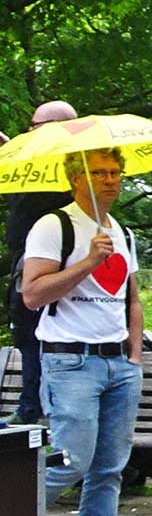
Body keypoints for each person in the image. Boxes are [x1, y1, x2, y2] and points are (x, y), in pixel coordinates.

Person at [19, 145, 149, 516]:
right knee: (70, 463)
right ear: (76, 179)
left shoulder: (122, 231)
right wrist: (89, 261)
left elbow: (132, 297)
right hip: (70, 361)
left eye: (115, 172)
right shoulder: (53, 226)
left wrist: (135, 355)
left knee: (109, 470)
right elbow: (33, 295)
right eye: (98, 172)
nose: (109, 180)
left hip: (119, 365)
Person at [5, 100, 79, 429]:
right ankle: (34, 405)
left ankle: (36, 408)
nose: (29, 131)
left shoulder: (65, 167)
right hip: (28, 264)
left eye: (34, 126)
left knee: (36, 336)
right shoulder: (44, 164)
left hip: (44, 267)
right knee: (27, 336)